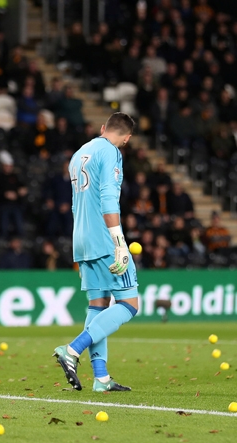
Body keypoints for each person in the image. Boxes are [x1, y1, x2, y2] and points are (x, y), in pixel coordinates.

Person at [54, 112, 137, 393]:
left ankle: (101, 378)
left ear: (103, 128)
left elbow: (80, 203)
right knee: (129, 304)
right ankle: (72, 349)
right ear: (126, 138)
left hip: (81, 239)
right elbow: (108, 199)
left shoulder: (79, 154)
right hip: (104, 239)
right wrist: (119, 243)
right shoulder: (112, 153)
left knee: (98, 304)